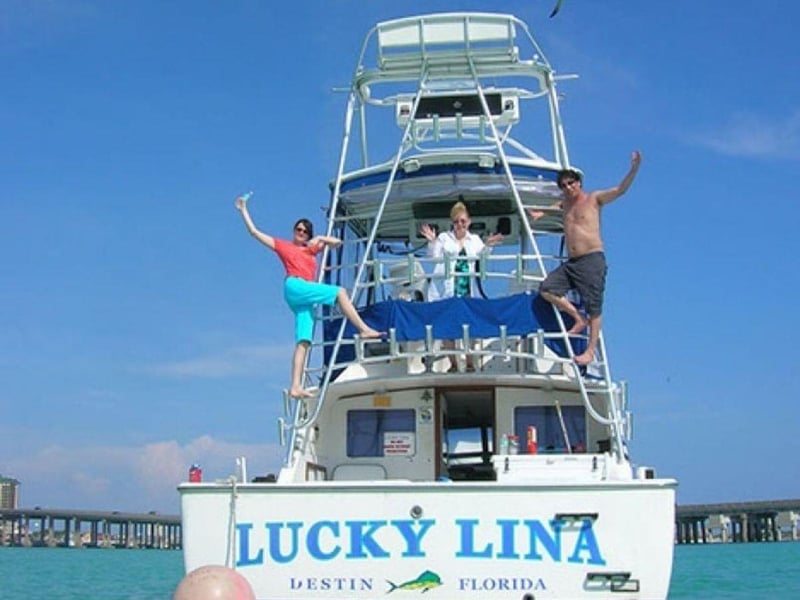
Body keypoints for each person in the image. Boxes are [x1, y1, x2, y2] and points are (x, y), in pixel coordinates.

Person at [235, 195, 382, 398]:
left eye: (305, 231)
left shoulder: (311, 250)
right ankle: (364, 329)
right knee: (339, 292)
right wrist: (243, 210)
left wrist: (320, 238)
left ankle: (295, 386)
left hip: (305, 299)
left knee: (303, 342)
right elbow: (254, 232)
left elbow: (337, 243)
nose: (301, 233)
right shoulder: (284, 246)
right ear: (294, 231)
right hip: (295, 286)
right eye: (299, 229)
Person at [528, 151, 642, 366]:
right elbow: (556, 206)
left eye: (571, 183)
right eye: (563, 185)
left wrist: (634, 169)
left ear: (578, 183)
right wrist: (539, 214)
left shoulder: (594, 199)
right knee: (547, 289)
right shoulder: (565, 204)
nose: (568, 188)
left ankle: (589, 351)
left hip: (591, 260)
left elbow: (620, 190)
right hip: (571, 263)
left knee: (594, 306)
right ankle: (578, 318)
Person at [420, 200, 504, 371]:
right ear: (453, 223)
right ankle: (453, 363)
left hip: (468, 289)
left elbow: (483, 257)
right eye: (456, 221)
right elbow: (433, 257)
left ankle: (471, 362)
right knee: (447, 327)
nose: (460, 225)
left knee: (470, 326)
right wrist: (432, 241)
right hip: (446, 289)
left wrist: (488, 246)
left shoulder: (475, 240)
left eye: (463, 221)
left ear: (469, 222)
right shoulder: (444, 238)